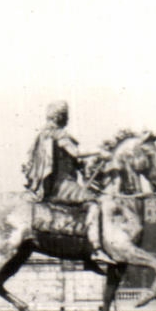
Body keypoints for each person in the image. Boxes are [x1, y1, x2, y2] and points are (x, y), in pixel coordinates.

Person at [22, 100, 111, 262]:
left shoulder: (43, 135)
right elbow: (75, 153)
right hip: (63, 185)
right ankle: (95, 248)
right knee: (94, 203)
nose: (67, 118)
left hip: (51, 185)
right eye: (66, 115)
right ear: (60, 116)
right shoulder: (59, 134)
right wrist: (99, 152)